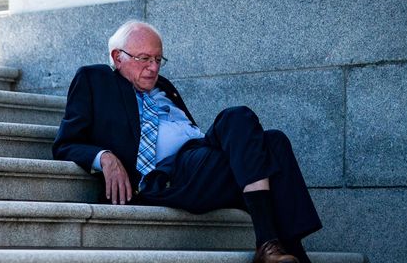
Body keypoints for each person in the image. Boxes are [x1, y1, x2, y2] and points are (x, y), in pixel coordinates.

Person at [52, 20, 321, 263]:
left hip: (201, 154)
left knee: (270, 139)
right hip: (169, 175)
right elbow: (65, 144)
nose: (154, 67)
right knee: (268, 144)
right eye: (144, 58)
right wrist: (105, 157)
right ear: (117, 57)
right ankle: (285, 248)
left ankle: (273, 246)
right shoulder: (94, 79)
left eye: (158, 59)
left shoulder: (164, 86)